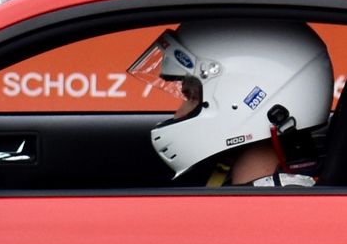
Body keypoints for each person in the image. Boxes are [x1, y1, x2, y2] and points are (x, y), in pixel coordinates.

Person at [132, 18, 333, 188]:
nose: (179, 113)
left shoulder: (271, 216)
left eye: (192, 96)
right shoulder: (262, 198)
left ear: (242, 97)